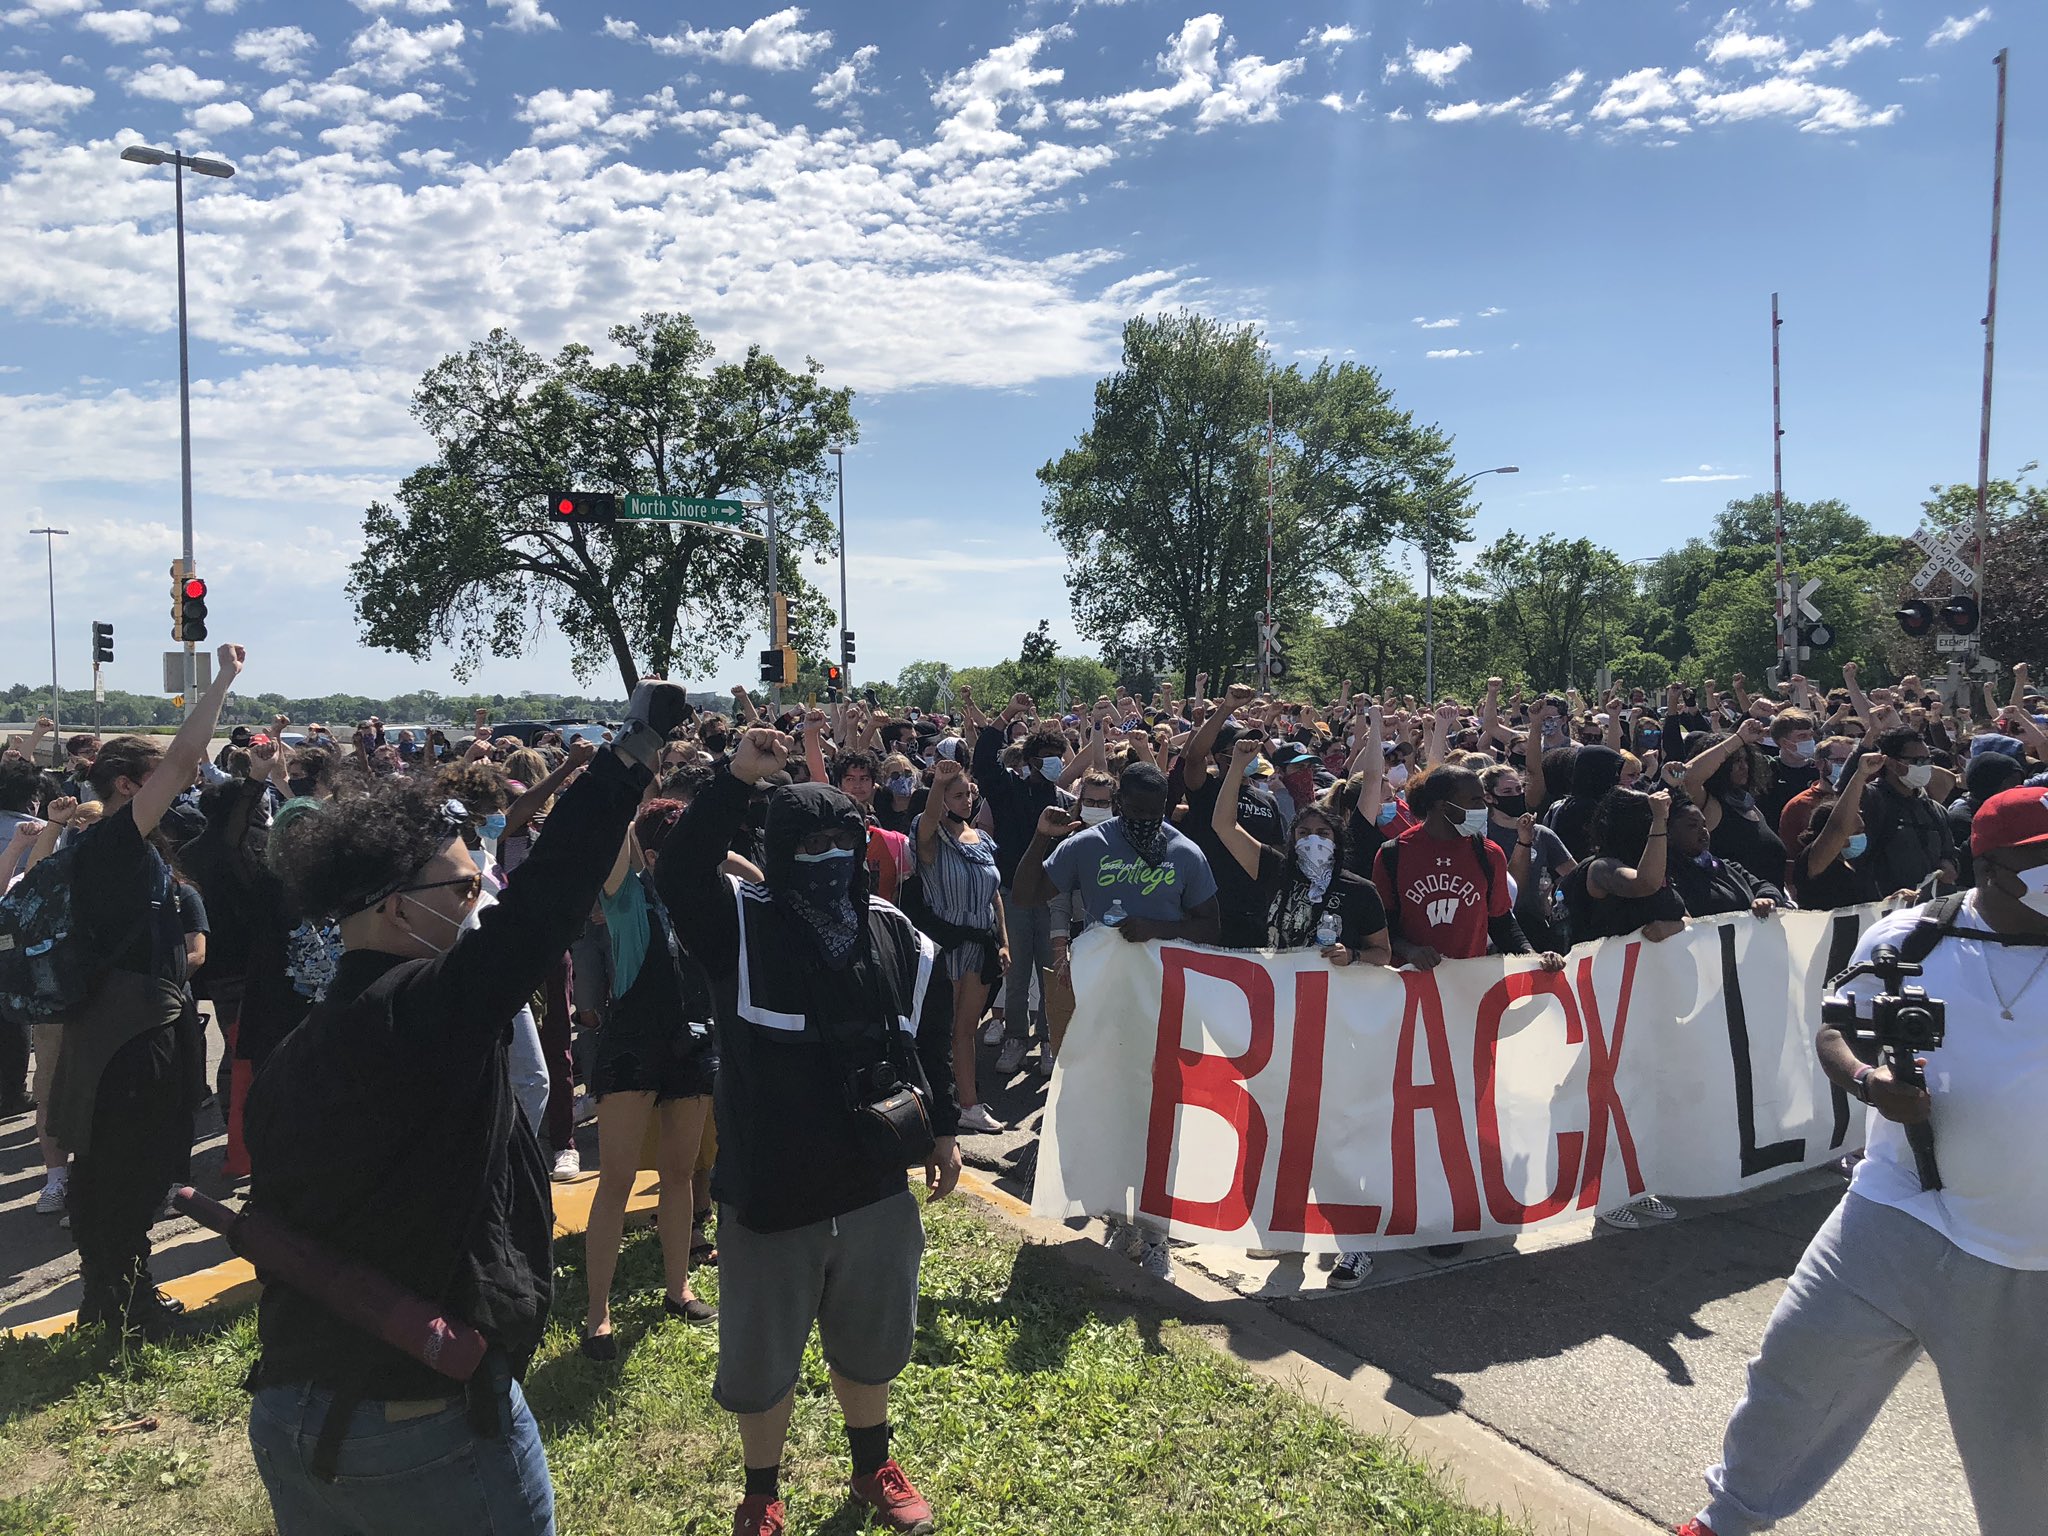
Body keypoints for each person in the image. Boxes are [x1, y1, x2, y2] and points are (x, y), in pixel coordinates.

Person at [242, 678, 688, 1536]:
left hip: (296, 1404)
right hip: (416, 1419)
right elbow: (545, 906)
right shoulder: (418, 1012)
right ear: (394, 907)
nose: (479, 899)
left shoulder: (309, 1044)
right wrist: (628, 759)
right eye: (462, 890)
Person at [1681, 786, 2048, 1536]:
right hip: (1893, 1210)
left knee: (2023, 1456)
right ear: (1997, 867)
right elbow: (1834, 1027)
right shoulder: (1914, 937)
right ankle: (1724, 1522)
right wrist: (1867, 1083)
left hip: (2025, 1251)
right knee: (1794, 1376)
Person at [654, 726, 961, 1536]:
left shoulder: (893, 929)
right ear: (776, 848)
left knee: (870, 1342)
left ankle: (872, 1470)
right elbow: (681, 870)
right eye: (809, 842)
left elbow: (927, 1039)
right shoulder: (739, 925)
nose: (827, 856)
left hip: (872, 1185)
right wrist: (733, 780)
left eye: (842, 841)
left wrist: (945, 1129)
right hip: (770, 1191)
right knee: (763, 1361)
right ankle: (762, 1491)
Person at [43, 645, 245, 1337]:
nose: (177, 789)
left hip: (113, 1024)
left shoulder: (92, 846)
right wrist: (220, 681)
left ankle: (111, 1295)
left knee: (111, 1166)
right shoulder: (118, 844)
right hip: (134, 1030)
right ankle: (126, 1303)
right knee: (134, 1165)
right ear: (131, 786)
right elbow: (187, 760)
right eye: (158, 780)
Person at [1013, 761, 1223, 1283]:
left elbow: (1212, 923)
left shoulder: (1184, 851)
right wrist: (1041, 838)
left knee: (1157, 1115)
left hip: (1166, 1002)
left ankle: (1155, 1234)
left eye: (1157, 811)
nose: (1149, 820)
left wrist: (1155, 925)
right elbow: (1025, 895)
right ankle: (1119, 1219)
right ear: (1120, 803)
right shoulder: (1088, 844)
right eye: (1138, 810)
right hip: (1106, 1001)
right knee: (1111, 1109)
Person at [1211, 737, 1393, 1291]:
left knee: (1338, 1131)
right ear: (1291, 840)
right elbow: (1223, 826)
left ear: (1338, 843)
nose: (1313, 840)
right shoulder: (1273, 872)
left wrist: (1355, 956)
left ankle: (1357, 1243)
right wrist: (1239, 768)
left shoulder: (1358, 891)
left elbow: (1383, 954)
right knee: (1279, 1125)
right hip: (1279, 1025)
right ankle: (1287, 1224)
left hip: (1339, 1030)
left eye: (1322, 834)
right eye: (1304, 833)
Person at [580, 798, 719, 1360]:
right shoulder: (629, 896)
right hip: (633, 1048)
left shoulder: (702, 898)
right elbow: (616, 838)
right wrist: (632, 779)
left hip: (691, 1044)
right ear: (658, 852)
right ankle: (597, 1312)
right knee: (615, 1180)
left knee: (680, 1172)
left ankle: (677, 1287)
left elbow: (754, 874)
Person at [1372, 766, 1566, 974]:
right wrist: (1410, 950)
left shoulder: (1488, 854)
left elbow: (1501, 922)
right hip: (1413, 985)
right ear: (1443, 806)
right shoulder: (1393, 854)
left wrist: (1533, 956)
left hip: (1469, 984)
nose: (1483, 807)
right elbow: (1380, 926)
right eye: (1474, 800)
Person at [965, 690, 1070, 1075]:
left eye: (1059, 757)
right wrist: (1006, 713)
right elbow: (982, 763)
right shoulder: (1007, 791)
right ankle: (1014, 1038)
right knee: (1017, 969)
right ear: (1028, 762)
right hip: (1011, 893)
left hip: (1053, 896)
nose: (1055, 765)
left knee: (1051, 972)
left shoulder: (1062, 798)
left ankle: (1048, 1041)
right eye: (1047, 759)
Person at [913, 759, 1008, 1134]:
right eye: (957, 794)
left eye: (968, 792)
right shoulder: (931, 838)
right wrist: (939, 784)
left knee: (965, 1029)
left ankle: (968, 1104)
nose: (966, 799)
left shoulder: (982, 838)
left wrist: (1003, 940)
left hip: (980, 944)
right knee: (941, 1027)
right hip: (946, 941)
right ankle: (938, 1103)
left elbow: (994, 894)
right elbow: (928, 819)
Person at [1675, 724, 1787, 889]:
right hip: (1738, 910)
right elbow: (1687, 778)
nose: (1744, 767)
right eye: (1734, 761)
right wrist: (1738, 739)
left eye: (1745, 760)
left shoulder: (1746, 802)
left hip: (1772, 903)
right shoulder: (1710, 804)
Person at [1482, 762, 1574, 952]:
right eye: (1507, 792)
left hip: (1537, 923)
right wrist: (1523, 842)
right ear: (1489, 797)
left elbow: (1574, 874)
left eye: (1519, 789)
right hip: (1498, 931)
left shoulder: (1541, 834)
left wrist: (1557, 899)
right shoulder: (1483, 836)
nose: (1516, 796)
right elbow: (1510, 888)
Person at [1856, 726, 1958, 897]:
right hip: (1886, 910)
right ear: (1891, 762)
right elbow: (1858, 860)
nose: (1925, 767)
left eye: (1928, 760)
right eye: (1917, 761)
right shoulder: (1869, 801)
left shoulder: (1933, 809)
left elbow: (1950, 852)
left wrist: (1949, 865)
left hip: (1933, 907)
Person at [1666, 798, 1785, 921]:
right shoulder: (1669, 875)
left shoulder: (1726, 866)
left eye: (1704, 825)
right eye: (1692, 825)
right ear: (1669, 834)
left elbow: (1764, 886)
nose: (1703, 831)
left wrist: (1766, 898)